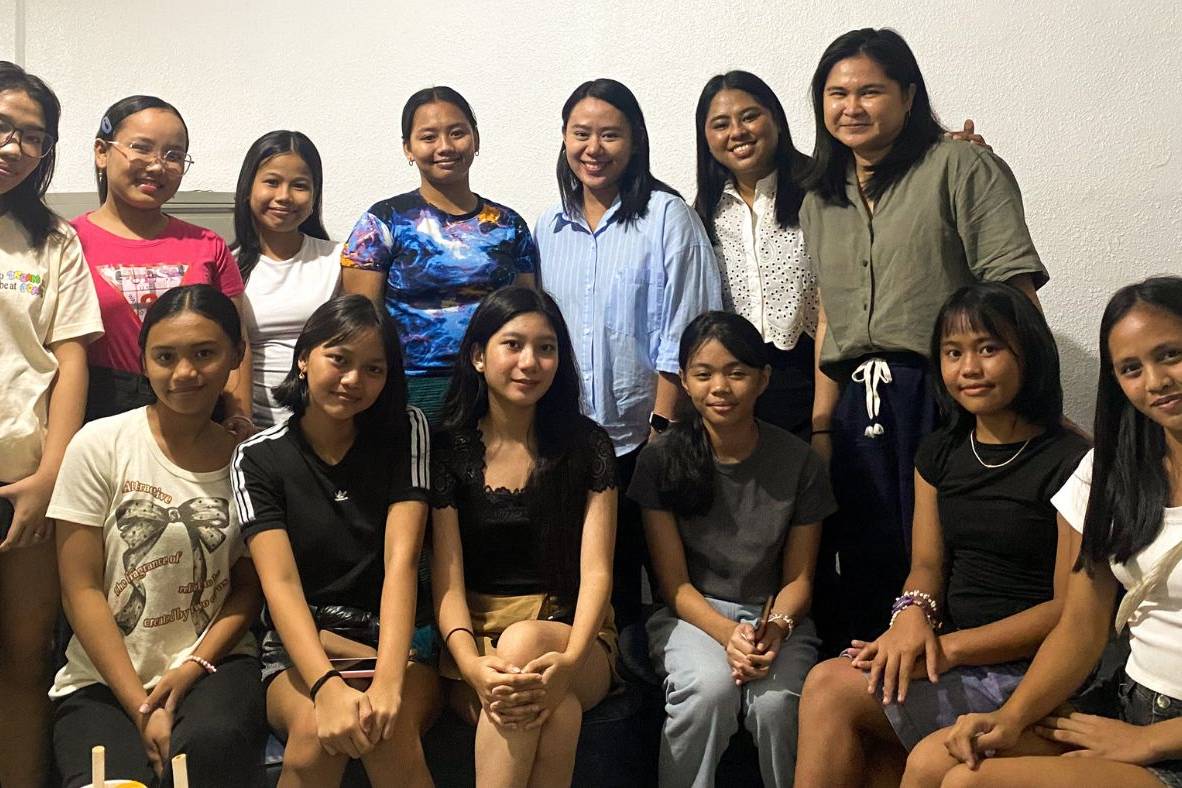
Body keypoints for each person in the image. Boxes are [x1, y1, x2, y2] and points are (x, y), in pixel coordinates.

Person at [801, 28, 1049, 644]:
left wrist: (1032, 410)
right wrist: (822, 425)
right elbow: (830, 317)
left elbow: (1013, 292)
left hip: (946, 396)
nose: (851, 107)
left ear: (909, 96)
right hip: (858, 405)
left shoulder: (961, 165)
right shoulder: (818, 199)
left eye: (870, 91)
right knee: (867, 563)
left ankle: (953, 698)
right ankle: (873, 709)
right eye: (836, 93)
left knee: (948, 563)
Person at [793, 282, 1089, 787]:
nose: (968, 369)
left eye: (988, 349)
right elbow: (928, 565)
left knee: (833, 691)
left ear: (1030, 354)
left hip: (1033, 673)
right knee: (833, 686)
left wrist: (951, 649)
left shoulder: (1072, 459)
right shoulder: (940, 453)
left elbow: (1069, 610)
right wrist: (912, 614)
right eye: (953, 353)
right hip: (954, 654)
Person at [930, 276, 1182, 788]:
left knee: (969, 782)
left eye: (1171, 355)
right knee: (935, 761)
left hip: (1167, 740)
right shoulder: (1110, 471)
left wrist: (1151, 741)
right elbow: (1082, 626)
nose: (1155, 382)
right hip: (1125, 702)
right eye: (1131, 369)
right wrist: (1012, 715)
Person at [49, 284, 266, 787]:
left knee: (203, 758)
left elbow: (250, 587)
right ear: (143, 361)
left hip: (213, 668)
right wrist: (142, 706)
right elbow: (80, 588)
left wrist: (191, 668)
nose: (184, 373)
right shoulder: (100, 443)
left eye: (205, 354)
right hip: (103, 678)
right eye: (165, 357)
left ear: (235, 356)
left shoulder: (250, 461)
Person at [536, 77, 722, 626]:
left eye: (610, 134)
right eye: (581, 134)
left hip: (647, 437)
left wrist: (660, 433)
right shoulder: (548, 226)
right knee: (587, 586)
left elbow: (686, 334)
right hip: (568, 439)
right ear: (565, 139)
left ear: (636, 140)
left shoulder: (668, 218)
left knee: (661, 585)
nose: (594, 148)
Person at [233, 294, 437, 786]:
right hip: (302, 647)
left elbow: (401, 561)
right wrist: (325, 684)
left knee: (384, 731)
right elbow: (279, 585)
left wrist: (389, 680)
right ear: (304, 358)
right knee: (314, 735)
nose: (353, 381)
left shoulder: (406, 429)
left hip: (398, 642)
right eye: (338, 360)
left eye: (373, 369)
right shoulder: (257, 458)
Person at [629, 311, 835, 787]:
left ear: (763, 379)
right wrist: (727, 634)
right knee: (707, 691)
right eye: (703, 374)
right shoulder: (660, 459)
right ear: (684, 380)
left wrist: (777, 629)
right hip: (693, 615)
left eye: (736, 373)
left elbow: (800, 578)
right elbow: (673, 585)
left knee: (778, 704)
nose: (719, 387)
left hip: (776, 616)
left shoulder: (799, 461)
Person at [430, 285, 617, 787]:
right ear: (477, 355)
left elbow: (597, 570)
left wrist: (571, 659)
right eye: (513, 344)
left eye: (546, 347)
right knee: (558, 714)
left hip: (574, 634)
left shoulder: (587, 444)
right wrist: (470, 665)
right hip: (473, 639)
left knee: (526, 641)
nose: (530, 362)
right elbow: (446, 579)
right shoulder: (448, 448)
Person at [0, 60, 103, 788]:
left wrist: (49, 476)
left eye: (33, 137)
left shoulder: (53, 241)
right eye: (3, 126)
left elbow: (71, 363)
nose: (14, 146)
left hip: (25, 480)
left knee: (27, 654)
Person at [341, 86, 538, 424]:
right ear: (408, 148)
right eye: (428, 137)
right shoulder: (382, 223)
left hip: (497, 390)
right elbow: (362, 324)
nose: (445, 147)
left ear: (475, 139)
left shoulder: (510, 225)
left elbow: (529, 316)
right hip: (407, 392)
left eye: (457, 133)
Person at [75, 95, 253, 436]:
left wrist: (238, 414)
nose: (157, 166)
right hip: (100, 414)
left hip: (199, 411)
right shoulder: (67, 242)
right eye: (140, 148)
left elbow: (236, 341)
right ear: (102, 152)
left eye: (174, 155)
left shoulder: (209, 245)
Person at [693, 71, 818, 439]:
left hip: (816, 376)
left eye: (749, 116)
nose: (737, 132)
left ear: (775, 118)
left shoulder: (821, 191)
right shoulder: (702, 214)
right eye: (720, 124)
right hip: (737, 388)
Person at [231, 130, 341, 428]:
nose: (284, 196)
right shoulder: (227, 266)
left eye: (300, 186)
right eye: (271, 182)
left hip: (325, 428)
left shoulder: (339, 260)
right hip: (253, 428)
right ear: (247, 188)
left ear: (315, 194)